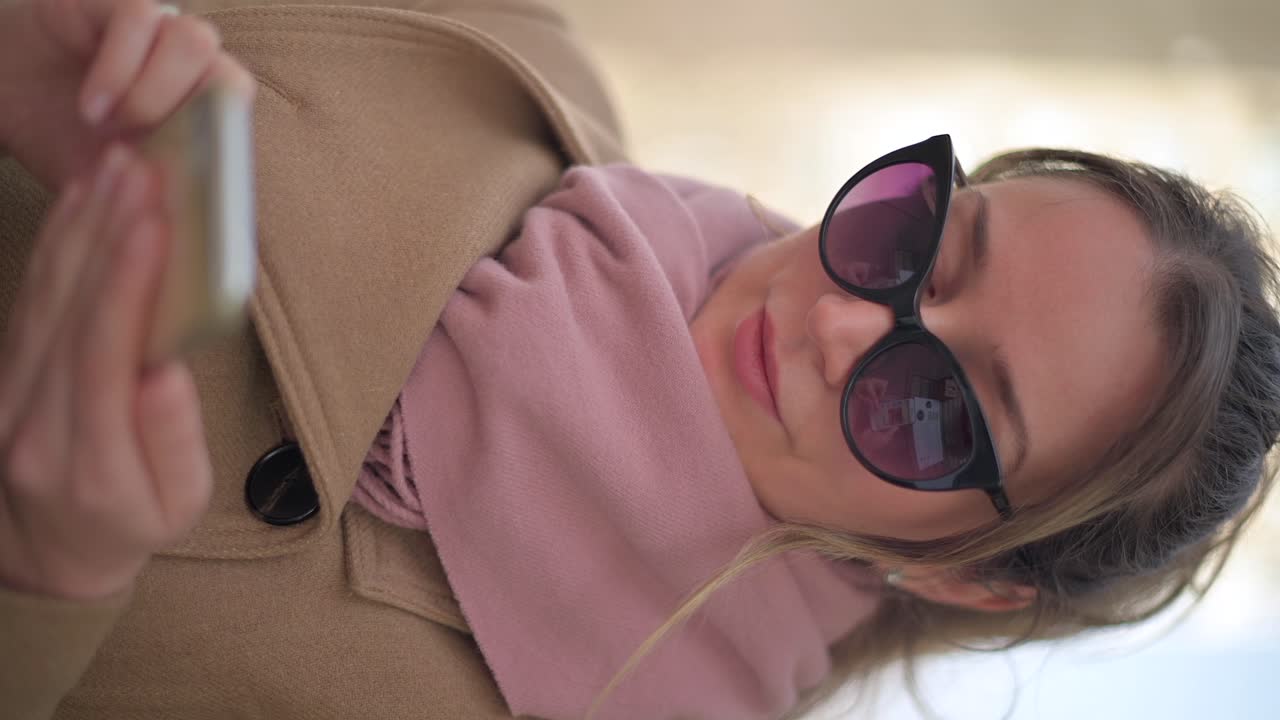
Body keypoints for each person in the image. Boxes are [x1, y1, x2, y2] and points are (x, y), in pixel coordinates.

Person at [0, 1, 1276, 720]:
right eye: (924, 237)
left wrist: (47, 573)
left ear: (965, 578)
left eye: (936, 411)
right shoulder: (498, 66)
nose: (840, 326)